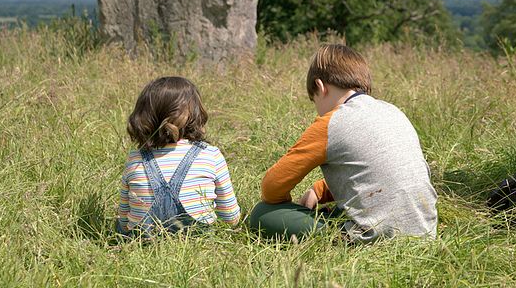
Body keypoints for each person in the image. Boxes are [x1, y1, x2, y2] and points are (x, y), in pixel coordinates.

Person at [248, 43, 437, 241]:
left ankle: (338, 238)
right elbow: (378, 174)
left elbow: (272, 187)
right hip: (423, 231)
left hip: (373, 236)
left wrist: (287, 207)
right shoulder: (393, 111)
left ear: (320, 87)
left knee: (263, 214)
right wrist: (319, 190)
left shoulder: (330, 122)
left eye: (315, 102)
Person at [117, 76, 241, 237]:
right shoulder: (210, 155)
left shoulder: (135, 159)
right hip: (198, 243)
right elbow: (231, 217)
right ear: (196, 114)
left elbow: (124, 220)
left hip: (142, 241)